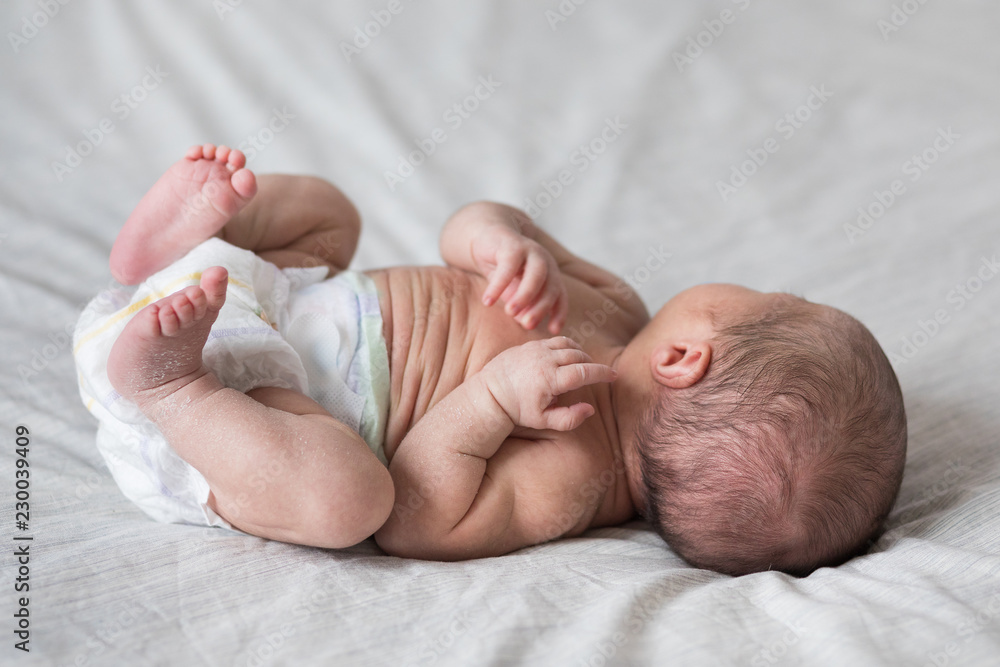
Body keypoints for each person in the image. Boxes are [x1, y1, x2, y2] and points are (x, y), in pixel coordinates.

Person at [73, 144, 907, 576]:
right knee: (332, 216)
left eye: (768, 297)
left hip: (253, 417)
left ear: (687, 356)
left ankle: (167, 384)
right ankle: (182, 241)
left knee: (346, 498)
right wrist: (498, 239)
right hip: (261, 294)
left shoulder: (572, 475)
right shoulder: (612, 304)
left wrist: (490, 405)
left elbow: (413, 521)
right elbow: (463, 227)